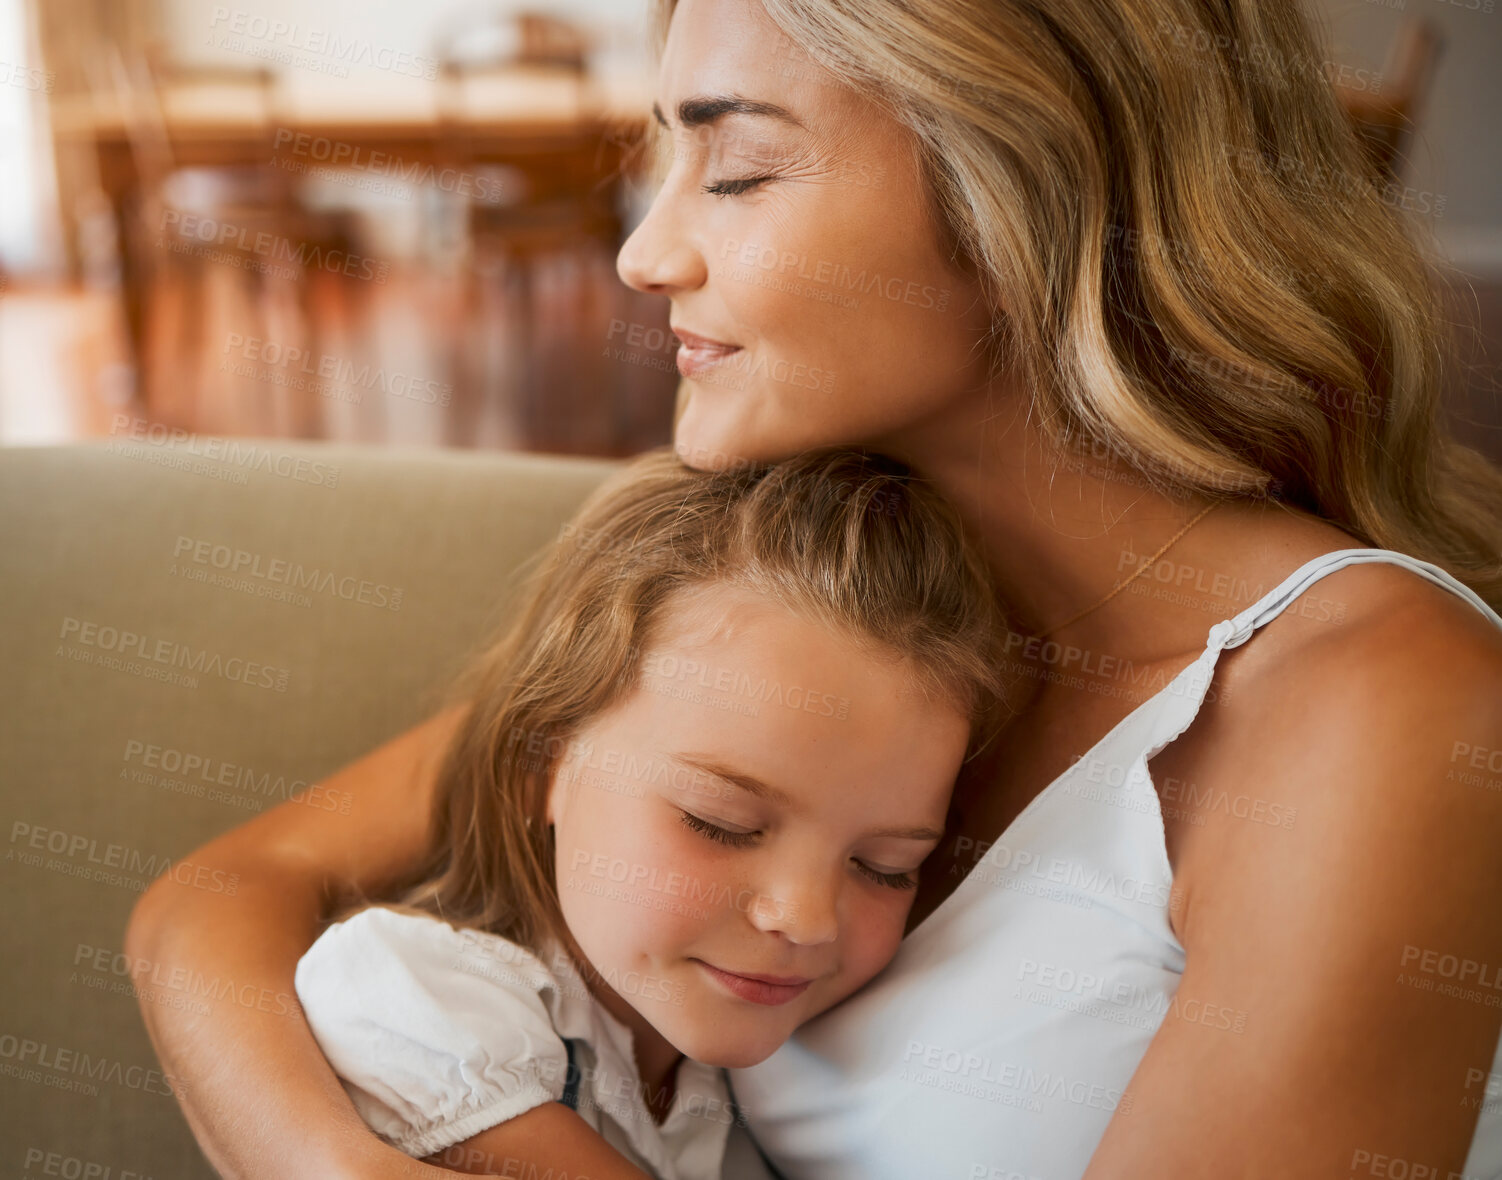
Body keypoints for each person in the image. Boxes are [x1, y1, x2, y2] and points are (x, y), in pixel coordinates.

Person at [125, 0, 1502, 1175]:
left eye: (735, 170)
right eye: (663, 161)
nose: (644, 254)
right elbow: (226, 898)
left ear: (1020, 190)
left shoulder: (1373, 704)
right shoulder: (779, 576)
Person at [290, 446, 1004, 1180]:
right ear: (545, 762)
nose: (807, 917)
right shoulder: (410, 996)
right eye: (719, 822)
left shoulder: (737, 1100)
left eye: (885, 868)